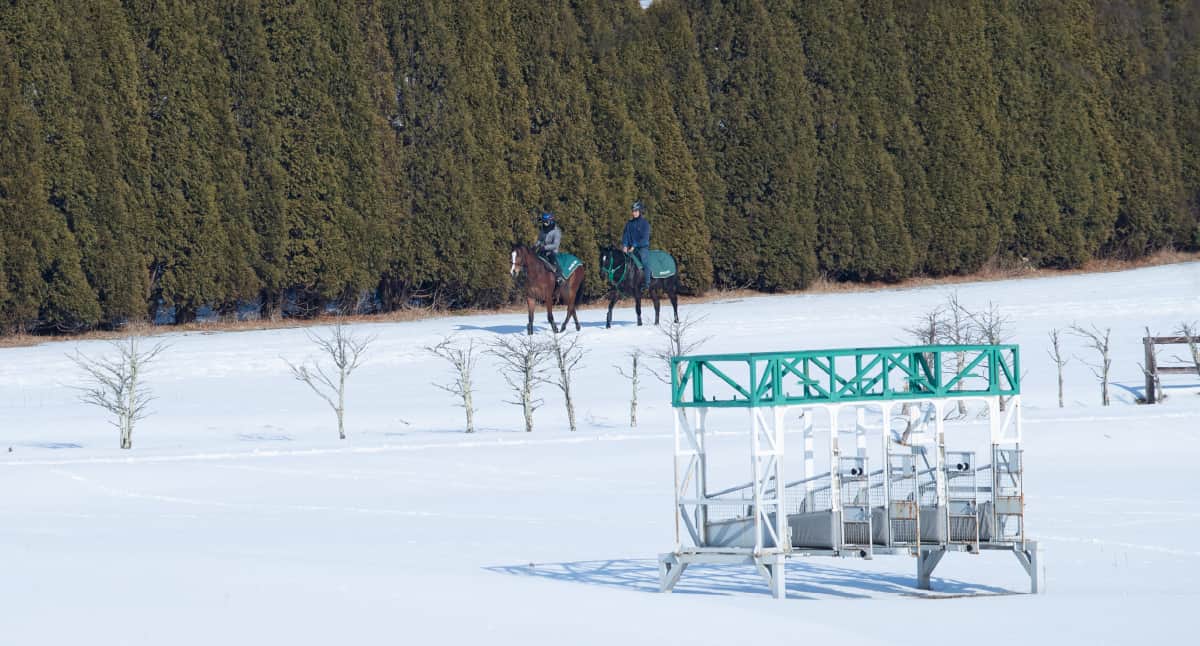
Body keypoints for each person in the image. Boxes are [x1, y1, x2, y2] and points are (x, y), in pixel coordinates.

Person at [621, 200, 651, 291]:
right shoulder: (629, 224)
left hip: (642, 248)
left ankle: (647, 283)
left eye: (636, 211)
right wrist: (625, 245)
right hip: (630, 249)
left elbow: (644, 238)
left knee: (645, 263)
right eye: (633, 211)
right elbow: (625, 235)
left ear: (640, 211)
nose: (634, 213)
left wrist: (634, 245)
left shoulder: (645, 223)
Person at [535, 211, 564, 284]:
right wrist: (535, 246)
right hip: (542, 250)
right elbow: (539, 239)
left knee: (553, 260)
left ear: (551, 221)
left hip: (552, 252)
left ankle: (559, 277)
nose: (544, 223)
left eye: (546, 222)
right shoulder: (543, 229)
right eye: (543, 222)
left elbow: (555, 245)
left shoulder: (556, 231)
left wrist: (545, 247)